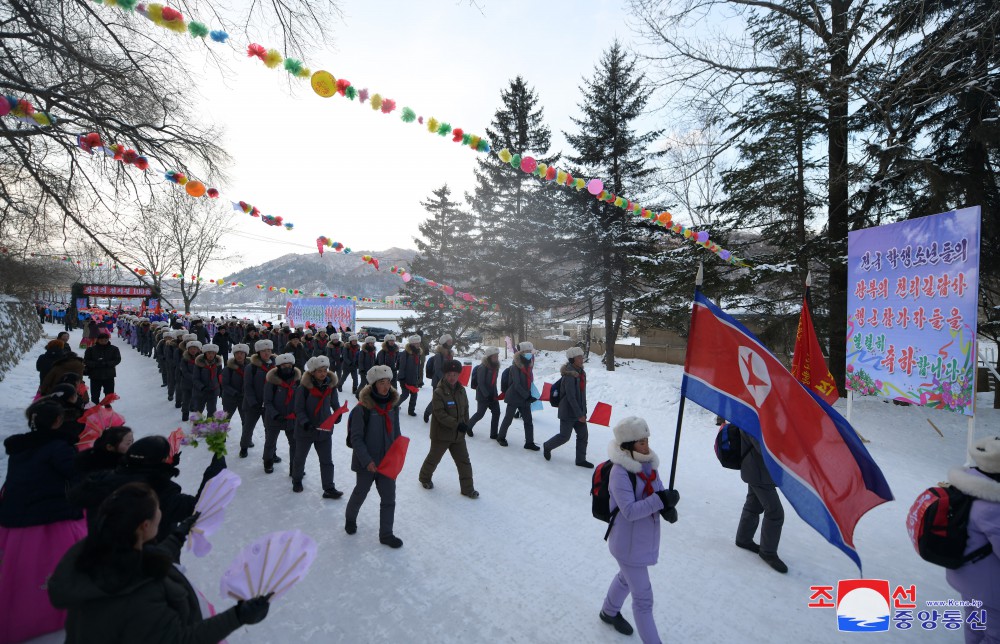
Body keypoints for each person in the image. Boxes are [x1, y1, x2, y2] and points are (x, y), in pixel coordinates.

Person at [49, 482, 272, 643]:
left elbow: (146, 558)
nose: (161, 513)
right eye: (157, 509)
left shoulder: (96, 550)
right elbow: (181, 639)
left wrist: (178, 535)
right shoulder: (139, 595)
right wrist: (238, 616)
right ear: (144, 526)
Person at [0, 398, 87, 644]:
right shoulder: (59, 447)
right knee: (56, 566)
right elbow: (76, 474)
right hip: (52, 517)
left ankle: (19, 613)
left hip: (14, 517)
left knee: (22, 570)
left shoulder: (20, 448)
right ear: (58, 421)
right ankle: (55, 614)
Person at [600, 417, 679, 643]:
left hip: (641, 541)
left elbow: (658, 490)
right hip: (627, 544)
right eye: (641, 442)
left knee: (626, 579)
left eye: (647, 440)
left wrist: (667, 507)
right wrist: (659, 500)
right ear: (627, 444)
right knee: (644, 601)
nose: (646, 446)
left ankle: (608, 611)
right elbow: (630, 511)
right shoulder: (620, 472)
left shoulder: (648, 464)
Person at [945, 435, 1000, 644]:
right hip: (991, 586)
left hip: (966, 575)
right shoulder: (992, 504)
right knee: (995, 635)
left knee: (975, 626)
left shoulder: (966, 485)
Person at [346, 365, 403, 547]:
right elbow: (356, 438)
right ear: (372, 385)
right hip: (367, 462)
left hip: (386, 462)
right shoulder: (362, 409)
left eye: (388, 382)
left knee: (389, 499)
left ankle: (386, 534)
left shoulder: (393, 407)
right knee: (360, 492)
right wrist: (367, 460)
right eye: (381, 383)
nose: (386, 387)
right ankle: (350, 519)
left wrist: (396, 455)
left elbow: (396, 434)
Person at [418, 359, 478, 499]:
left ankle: (468, 489)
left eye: (455, 374)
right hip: (441, 435)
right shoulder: (439, 392)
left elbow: (465, 409)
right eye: (449, 374)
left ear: (458, 375)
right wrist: (457, 424)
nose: (452, 377)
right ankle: (424, 478)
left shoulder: (461, 390)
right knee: (434, 459)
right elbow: (439, 414)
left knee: (464, 462)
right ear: (445, 375)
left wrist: (466, 424)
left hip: (458, 436)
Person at [735, 424, 787, 573]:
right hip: (759, 473)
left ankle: (743, 539)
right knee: (775, 513)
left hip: (756, 470)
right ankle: (768, 552)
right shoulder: (754, 416)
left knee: (753, 505)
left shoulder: (757, 414)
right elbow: (763, 448)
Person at [291, 355, 344, 498]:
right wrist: (305, 422)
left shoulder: (330, 387)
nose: (323, 373)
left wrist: (337, 414)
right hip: (305, 430)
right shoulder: (303, 388)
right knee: (300, 458)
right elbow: (298, 409)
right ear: (312, 372)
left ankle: (329, 488)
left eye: (325, 370)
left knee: (326, 461)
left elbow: (335, 403)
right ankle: (297, 480)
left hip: (324, 430)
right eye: (320, 370)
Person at [543, 346, 593, 467]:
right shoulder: (569, 376)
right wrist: (580, 414)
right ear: (572, 359)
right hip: (567, 412)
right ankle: (547, 446)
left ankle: (580, 460)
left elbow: (582, 394)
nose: (582, 359)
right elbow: (571, 397)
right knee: (564, 436)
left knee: (583, 435)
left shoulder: (582, 373)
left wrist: (583, 411)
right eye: (579, 357)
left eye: (582, 356)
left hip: (579, 411)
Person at [497, 342, 540, 451]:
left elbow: (529, 382)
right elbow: (516, 384)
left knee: (528, 421)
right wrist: (527, 396)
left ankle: (529, 442)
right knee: (508, 419)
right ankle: (501, 437)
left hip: (525, 397)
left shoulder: (528, 365)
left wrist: (531, 394)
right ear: (522, 353)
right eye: (528, 352)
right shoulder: (515, 367)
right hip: (514, 397)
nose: (530, 354)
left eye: (531, 352)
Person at [262, 353, 300, 475]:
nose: (286, 368)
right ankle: (268, 461)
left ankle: (294, 467)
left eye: (289, 365)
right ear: (278, 367)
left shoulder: (298, 382)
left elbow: (301, 400)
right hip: (274, 418)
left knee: (294, 444)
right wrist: (275, 414)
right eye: (283, 366)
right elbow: (267, 402)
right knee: (270, 442)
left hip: (291, 418)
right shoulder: (271, 382)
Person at [240, 339, 275, 458]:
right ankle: (244, 447)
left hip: (269, 404)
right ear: (258, 352)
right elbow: (247, 387)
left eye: (269, 350)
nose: (266, 353)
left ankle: (271, 453)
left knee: (270, 431)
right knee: (248, 428)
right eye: (263, 351)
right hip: (253, 404)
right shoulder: (251, 367)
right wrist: (253, 402)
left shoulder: (276, 366)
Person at [467, 346, 501, 439]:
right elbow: (480, 383)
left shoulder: (495, 367)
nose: (497, 358)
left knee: (497, 412)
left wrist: (495, 394)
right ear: (489, 357)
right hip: (483, 395)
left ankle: (493, 433)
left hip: (493, 395)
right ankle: (468, 427)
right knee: (480, 414)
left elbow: (494, 383)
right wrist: (487, 395)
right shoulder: (483, 367)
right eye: (495, 356)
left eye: (497, 356)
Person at [83, 332, 122, 404]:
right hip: (95, 375)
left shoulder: (114, 349)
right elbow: (86, 360)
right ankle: (95, 409)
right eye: (101, 340)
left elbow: (117, 359)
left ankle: (107, 407)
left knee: (109, 394)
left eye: (106, 340)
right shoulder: (90, 349)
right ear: (98, 340)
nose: (104, 342)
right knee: (95, 395)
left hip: (109, 375)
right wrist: (95, 364)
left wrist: (107, 363)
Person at [423, 334, 454, 423]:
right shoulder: (438, 355)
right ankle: (427, 412)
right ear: (444, 343)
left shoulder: (450, 354)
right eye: (449, 341)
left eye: (451, 341)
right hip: (438, 381)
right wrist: (445, 379)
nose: (451, 342)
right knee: (437, 400)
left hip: (448, 381)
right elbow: (437, 370)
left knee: (447, 399)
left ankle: (443, 417)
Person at [395, 335, 425, 417]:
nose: (418, 345)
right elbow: (402, 367)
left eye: (419, 343)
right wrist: (402, 378)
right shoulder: (405, 354)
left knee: (414, 395)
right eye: (416, 343)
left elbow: (418, 366)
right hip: (405, 378)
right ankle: (394, 406)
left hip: (414, 379)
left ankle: (411, 411)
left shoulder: (417, 353)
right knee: (405, 394)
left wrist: (418, 377)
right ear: (412, 344)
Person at [222, 343, 250, 425]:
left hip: (244, 399)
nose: (239, 355)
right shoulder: (228, 368)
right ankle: (221, 437)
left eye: (242, 353)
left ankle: (245, 438)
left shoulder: (250, 368)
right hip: (229, 399)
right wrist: (234, 393)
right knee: (225, 421)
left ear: (245, 355)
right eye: (237, 353)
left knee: (246, 422)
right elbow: (225, 384)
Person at [192, 343, 223, 416]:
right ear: (205, 354)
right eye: (209, 353)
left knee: (212, 410)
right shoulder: (199, 364)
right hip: (201, 391)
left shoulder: (218, 364)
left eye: (212, 353)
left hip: (213, 391)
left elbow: (219, 377)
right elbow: (195, 378)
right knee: (198, 409)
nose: (211, 355)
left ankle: (210, 424)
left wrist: (220, 389)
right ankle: (197, 424)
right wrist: (202, 387)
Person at [177, 339, 203, 422]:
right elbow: (184, 372)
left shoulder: (201, 359)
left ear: (198, 349)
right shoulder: (184, 359)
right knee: (186, 400)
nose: (193, 350)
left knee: (197, 402)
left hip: (198, 385)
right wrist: (195, 378)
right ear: (188, 349)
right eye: (191, 348)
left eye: (195, 348)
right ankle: (185, 414)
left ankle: (196, 418)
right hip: (187, 383)